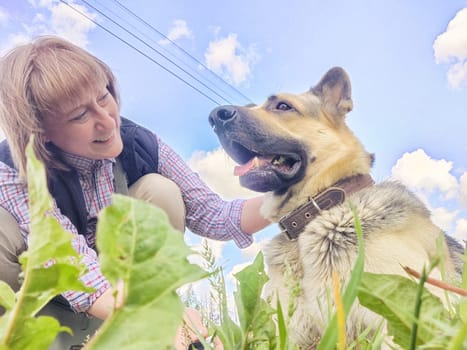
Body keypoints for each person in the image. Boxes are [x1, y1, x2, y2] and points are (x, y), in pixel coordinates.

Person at [0, 35, 270, 349]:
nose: (107, 121)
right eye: (80, 115)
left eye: (103, 97)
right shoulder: (12, 170)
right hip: (41, 304)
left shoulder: (141, 143)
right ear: (41, 132)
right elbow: (67, 259)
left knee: (160, 192)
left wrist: (293, 198)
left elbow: (215, 215)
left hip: (120, 297)